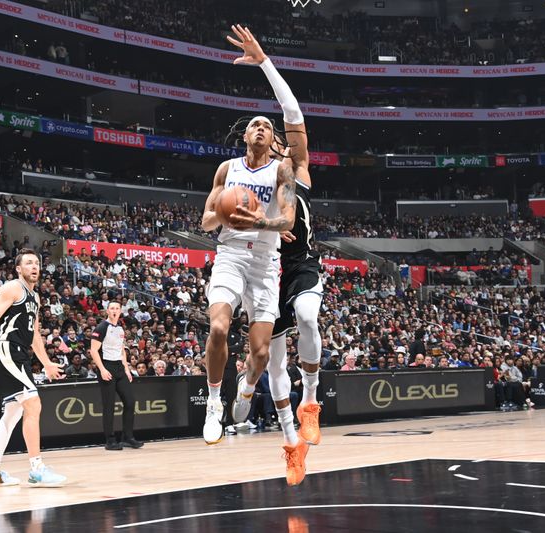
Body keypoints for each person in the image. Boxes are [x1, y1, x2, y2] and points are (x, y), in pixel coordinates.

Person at [222, 24, 312, 485]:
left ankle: (308, 403)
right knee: (271, 362)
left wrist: (265, 63)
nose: (273, 135)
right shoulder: (245, 174)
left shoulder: (294, 170)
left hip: (296, 266)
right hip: (262, 263)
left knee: (311, 322)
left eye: (277, 133)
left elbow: (293, 110)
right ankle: (289, 440)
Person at [0, 250, 66, 487]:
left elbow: (35, 333)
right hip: (6, 350)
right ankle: (37, 469)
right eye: (28, 263)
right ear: (18, 268)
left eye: (37, 262)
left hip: (20, 354)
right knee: (33, 404)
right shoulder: (12, 288)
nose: (34, 266)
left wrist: (46, 362)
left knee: (13, 413)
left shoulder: (34, 297)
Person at [89, 301, 143, 451]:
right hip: (107, 367)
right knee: (109, 406)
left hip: (119, 367)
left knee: (130, 402)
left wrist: (126, 369)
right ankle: (110, 440)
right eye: (112, 308)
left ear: (120, 311)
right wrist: (102, 369)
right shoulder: (101, 327)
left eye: (117, 308)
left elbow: (121, 350)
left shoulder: (120, 328)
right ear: (107, 310)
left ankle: (128, 437)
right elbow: (93, 351)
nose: (114, 311)